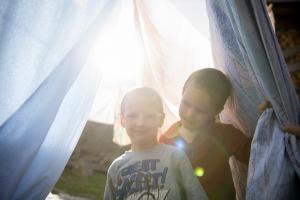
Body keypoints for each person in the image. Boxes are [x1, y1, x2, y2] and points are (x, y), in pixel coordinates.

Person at [159, 68, 251, 200]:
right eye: (186, 103)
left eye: (200, 110)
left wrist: (269, 120)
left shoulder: (225, 134)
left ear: (216, 111)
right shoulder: (167, 139)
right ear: (182, 93)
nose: (189, 114)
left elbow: (258, 154)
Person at [103, 87, 208, 200]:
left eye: (149, 116)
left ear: (161, 119)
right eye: (132, 116)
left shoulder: (175, 157)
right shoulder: (116, 168)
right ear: (122, 120)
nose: (140, 123)